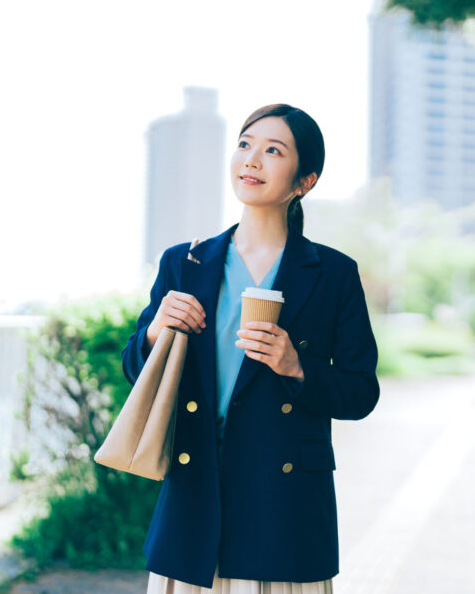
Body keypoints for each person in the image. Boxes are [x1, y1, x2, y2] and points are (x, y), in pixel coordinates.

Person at [120, 103, 380, 593]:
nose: (252, 160)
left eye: (273, 150)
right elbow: (136, 368)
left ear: (305, 181)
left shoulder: (333, 275)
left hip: (284, 509)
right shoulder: (186, 262)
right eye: (245, 145)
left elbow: (361, 392)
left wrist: (296, 367)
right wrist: (156, 330)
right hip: (195, 497)